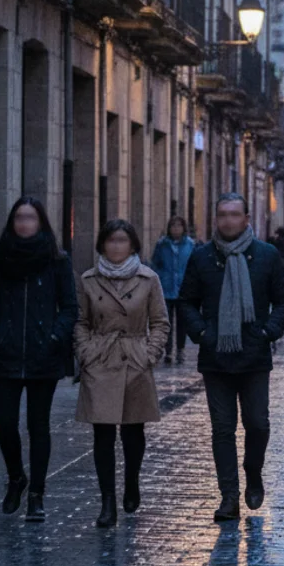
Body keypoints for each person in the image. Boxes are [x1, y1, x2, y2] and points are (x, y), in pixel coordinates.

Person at [179, 193, 284, 521]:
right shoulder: (202, 257)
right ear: (216, 219)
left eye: (234, 215)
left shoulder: (267, 256)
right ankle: (229, 496)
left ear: (246, 218)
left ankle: (253, 471)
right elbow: (186, 300)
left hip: (254, 355)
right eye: (222, 215)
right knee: (222, 428)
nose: (228, 221)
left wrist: (267, 331)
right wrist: (202, 333)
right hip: (216, 356)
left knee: (258, 423)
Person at [0, 197, 79, 523]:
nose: (24, 223)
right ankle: (16, 477)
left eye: (30, 218)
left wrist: (54, 337)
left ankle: (36, 495)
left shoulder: (57, 260)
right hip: (6, 354)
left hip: (42, 355)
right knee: (5, 424)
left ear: (40, 222)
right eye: (19, 217)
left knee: (38, 426)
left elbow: (70, 307)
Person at [74, 220, 169, 528]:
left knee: (132, 430)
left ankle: (131, 482)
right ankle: (107, 502)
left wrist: (149, 354)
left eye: (122, 240)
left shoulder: (148, 278)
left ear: (133, 245)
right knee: (102, 433)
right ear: (102, 245)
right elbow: (80, 321)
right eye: (111, 240)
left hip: (134, 358)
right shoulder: (89, 279)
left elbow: (160, 322)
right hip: (100, 359)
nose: (116, 246)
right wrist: (86, 352)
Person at [150, 216, 196, 364]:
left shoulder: (190, 245)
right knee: (166, 322)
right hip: (166, 288)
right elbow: (155, 263)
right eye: (173, 226)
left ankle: (180, 350)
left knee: (182, 322)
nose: (176, 229)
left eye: (179, 226)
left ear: (184, 228)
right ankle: (168, 351)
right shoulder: (162, 244)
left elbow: (194, 266)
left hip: (184, 289)